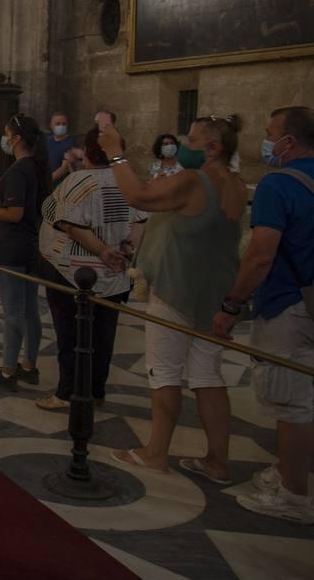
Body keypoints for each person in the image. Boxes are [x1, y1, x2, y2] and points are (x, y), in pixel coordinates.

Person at [101, 114, 246, 481]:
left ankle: (156, 453)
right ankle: (217, 461)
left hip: (177, 289)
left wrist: (116, 153)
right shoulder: (236, 183)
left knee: (164, 372)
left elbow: (138, 196)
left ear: (213, 148)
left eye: (192, 141)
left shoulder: (195, 179)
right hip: (215, 292)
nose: (183, 146)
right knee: (207, 375)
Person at [210, 106, 314, 523]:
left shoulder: (278, 184)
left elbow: (260, 254)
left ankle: (294, 494)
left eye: (271, 133)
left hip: (289, 303)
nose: (266, 141)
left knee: (291, 401)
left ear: (288, 141)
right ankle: (295, 471)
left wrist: (231, 304)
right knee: (307, 394)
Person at [35, 127, 146, 410]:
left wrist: (101, 250)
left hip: (73, 272)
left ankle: (67, 392)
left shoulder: (77, 181)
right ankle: (96, 389)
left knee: (70, 333)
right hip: (115, 273)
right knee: (104, 334)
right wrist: (126, 250)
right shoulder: (127, 182)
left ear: (87, 149)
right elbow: (140, 221)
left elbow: (68, 223)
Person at [0, 113, 51, 391]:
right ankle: (29, 364)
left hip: (11, 247)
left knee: (12, 312)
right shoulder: (37, 167)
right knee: (30, 310)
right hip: (31, 245)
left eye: (6, 133)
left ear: (17, 138)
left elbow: (15, 212)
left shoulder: (19, 169)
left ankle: (8, 369)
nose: (4, 139)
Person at [47, 111, 77, 175]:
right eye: (58, 124)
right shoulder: (46, 141)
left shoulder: (70, 143)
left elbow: (64, 169)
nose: (61, 126)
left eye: (64, 124)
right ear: (51, 125)